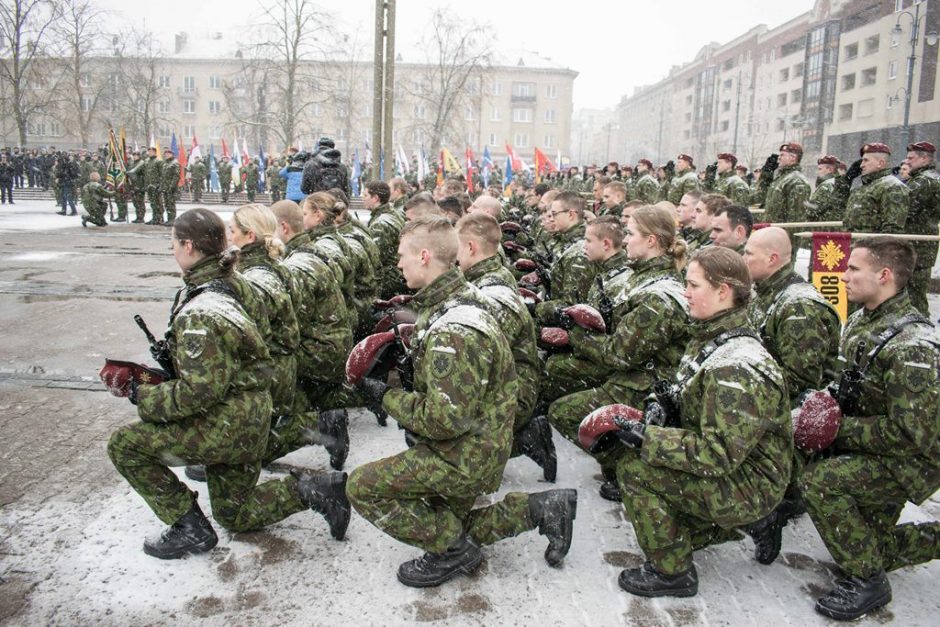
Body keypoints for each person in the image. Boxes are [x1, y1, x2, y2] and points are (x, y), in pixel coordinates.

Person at [347, 216, 578, 588]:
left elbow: (443, 420)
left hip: (464, 452)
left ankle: (454, 551)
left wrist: (385, 395)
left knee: (362, 487)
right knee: (448, 523)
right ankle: (541, 510)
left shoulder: (453, 329)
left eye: (402, 255)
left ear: (424, 256)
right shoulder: (459, 300)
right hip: (478, 440)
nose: (398, 264)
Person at [106, 208, 350, 560]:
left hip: (227, 423)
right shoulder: (236, 282)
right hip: (249, 414)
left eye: (174, 243)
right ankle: (316, 490)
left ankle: (188, 528)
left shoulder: (202, 309)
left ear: (189, 246)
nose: (172, 250)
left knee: (125, 445)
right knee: (235, 513)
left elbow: (197, 393)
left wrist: (141, 394)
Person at [591, 246, 791, 598]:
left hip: (751, 479)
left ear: (722, 292)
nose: (685, 292)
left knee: (636, 470)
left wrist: (647, 439)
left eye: (693, 285)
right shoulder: (712, 334)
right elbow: (683, 389)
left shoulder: (735, 366)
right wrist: (658, 407)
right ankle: (742, 523)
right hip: (741, 464)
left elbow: (718, 454)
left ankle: (673, 573)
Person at [800, 237, 939, 621]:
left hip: (910, 460)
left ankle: (868, 581)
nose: (843, 276)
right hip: (874, 446)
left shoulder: (913, 346)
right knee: (869, 544)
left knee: (822, 482)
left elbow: (913, 435)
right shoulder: (866, 317)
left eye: (853, 269)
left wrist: (838, 430)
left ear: (884, 275)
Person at [551, 208, 688, 502]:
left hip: (644, 386)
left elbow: (619, 355)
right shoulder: (642, 279)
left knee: (563, 413)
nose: (624, 241)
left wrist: (576, 337)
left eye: (631, 234)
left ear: (651, 241)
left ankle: (629, 470)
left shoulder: (656, 297)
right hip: (632, 377)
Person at [744, 226, 841, 537]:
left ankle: (789, 486)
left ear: (773, 259)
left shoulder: (798, 307)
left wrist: (743, 392)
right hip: (770, 394)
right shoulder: (767, 292)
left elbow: (801, 382)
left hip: (796, 411)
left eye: (749, 254)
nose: (743, 259)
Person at [456, 212, 554, 481]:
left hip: (516, 387)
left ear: (471, 247)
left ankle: (523, 439)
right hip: (505, 379)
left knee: (448, 449)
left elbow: (477, 350)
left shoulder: (493, 288)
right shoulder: (483, 276)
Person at [268, 199, 352, 470]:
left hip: (321, 351)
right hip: (335, 342)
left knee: (260, 369)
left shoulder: (298, 264)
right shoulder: (313, 249)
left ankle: (250, 450)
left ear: (282, 228)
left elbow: (291, 324)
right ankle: (327, 420)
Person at [533, 191, 597, 325]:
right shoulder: (562, 239)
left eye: (554, 214)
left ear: (571, 214)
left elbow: (572, 306)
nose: (551, 218)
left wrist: (536, 307)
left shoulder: (580, 248)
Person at [901, 141, 940, 317]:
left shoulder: (925, 181)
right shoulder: (925, 178)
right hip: (919, 245)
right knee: (913, 295)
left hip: (917, 246)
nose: (907, 161)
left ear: (924, 159)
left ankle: (919, 330)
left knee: (913, 296)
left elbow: (904, 208)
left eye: (911, 158)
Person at [842, 143, 910, 236]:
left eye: (866, 160)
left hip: (872, 247)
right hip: (853, 246)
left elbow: (892, 229)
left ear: (880, 163)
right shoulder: (863, 187)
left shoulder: (892, 187)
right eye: (862, 161)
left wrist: (876, 249)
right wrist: (846, 180)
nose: (861, 165)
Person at [364, 180, 408, 299]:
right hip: (398, 274)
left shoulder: (381, 224)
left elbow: (375, 258)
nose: (363, 198)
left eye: (365, 195)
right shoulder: (391, 213)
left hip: (389, 279)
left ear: (375, 198)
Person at [160, 149, 180, 224]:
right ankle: (169, 219)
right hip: (165, 187)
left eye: (168, 154)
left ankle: (172, 220)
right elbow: (163, 176)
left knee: (171, 204)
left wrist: (172, 186)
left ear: (172, 154)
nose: (167, 155)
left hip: (171, 187)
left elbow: (176, 176)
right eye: (166, 154)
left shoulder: (175, 163)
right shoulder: (165, 164)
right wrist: (162, 186)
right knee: (167, 204)